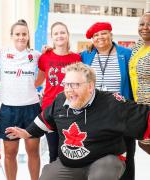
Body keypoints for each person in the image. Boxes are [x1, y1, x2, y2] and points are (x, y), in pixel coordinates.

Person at [6, 62, 150, 180]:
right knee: (48, 176)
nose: (69, 90)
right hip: (70, 165)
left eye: (75, 84)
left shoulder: (112, 104)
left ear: (90, 86)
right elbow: (45, 119)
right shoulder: (62, 99)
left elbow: (145, 118)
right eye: (66, 84)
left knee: (101, 176)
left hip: (105, 161)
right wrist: (28, 132)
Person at [80, 22, 135, 180]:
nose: (100, 37)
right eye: (95, 35)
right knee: (99, 157)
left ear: (111, 34)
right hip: (95, 114)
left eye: (103, 33)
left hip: (122, 114)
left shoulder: (126, 54)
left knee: (127, 156)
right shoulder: (87, 55)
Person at [0, 19, 41, 180]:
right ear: (11, 36)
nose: (21, 37)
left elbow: (45, 70)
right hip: (9, 110)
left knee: (33, 152)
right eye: (17, 34)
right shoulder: (0, 52)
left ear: (28, 36)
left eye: (24, 34)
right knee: (9, 153)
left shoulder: (35, 55)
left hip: (31, 109)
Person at [35, 22, 81, 162]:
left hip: (71, 109)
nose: (59, 35)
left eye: (62, 32)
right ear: (52, 37)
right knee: (53, 152)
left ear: (68, 35)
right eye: (56, 33)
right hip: (50, 109)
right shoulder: (45, 57)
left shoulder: (76, 58)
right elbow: (39, 81)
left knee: (69, 151)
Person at [129, 12, 150, 152]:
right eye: (142, 24)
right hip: (141, 107)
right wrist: (93, 48)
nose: (145, 27)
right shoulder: (138, 46)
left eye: (149, 24)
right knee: (145, 144)